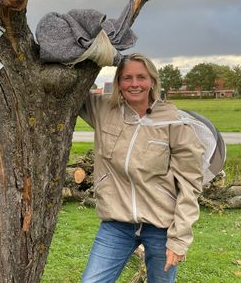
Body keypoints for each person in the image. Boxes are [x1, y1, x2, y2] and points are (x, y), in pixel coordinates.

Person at [80, 53, 205, 282]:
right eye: (127, 78)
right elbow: (71, 89)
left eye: (141, 77)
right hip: (116, 224)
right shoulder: (103, 109)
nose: (134, 84)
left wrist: (179, 239)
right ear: (118, 82)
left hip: (160, 226)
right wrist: (99, 52)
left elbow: (190, 183)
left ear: (152, 81)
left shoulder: (172, 121)